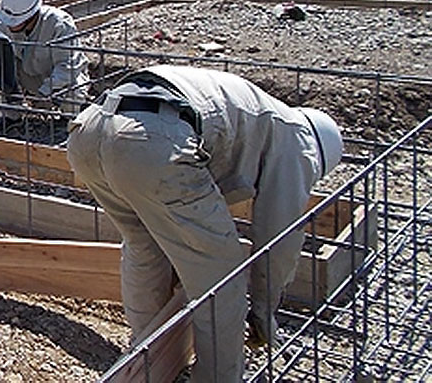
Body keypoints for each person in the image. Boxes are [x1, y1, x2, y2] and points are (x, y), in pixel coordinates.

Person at [65, 65, 344, 382]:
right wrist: (264, 309)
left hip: (88, 129)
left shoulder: (264, 114)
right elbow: (278, 238)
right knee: (223, 277)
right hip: (150, 139)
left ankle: (147, 357)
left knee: (145, 246)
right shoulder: (298, 140)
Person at [0, 0, 89, 133]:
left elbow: (68, 66)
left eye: (13, 22)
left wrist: (46, 91)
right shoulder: (5, 25)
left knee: (72, 86)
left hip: (60, 79)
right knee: (2, 66)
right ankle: (11, 116)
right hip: (29, 74)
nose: (8, 25)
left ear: (30, 16)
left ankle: (69, 117)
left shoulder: (58, 24)